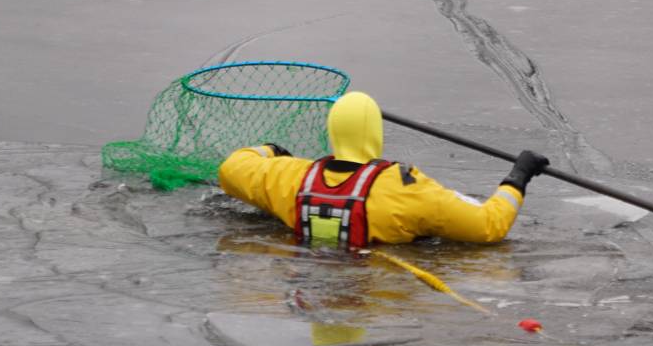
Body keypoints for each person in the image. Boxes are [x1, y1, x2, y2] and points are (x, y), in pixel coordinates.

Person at [217, 91, 549, 248]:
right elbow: (488, 226)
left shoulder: (291, 176)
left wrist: (271, 150)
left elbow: (232, 168)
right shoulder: (407, 189)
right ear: (376, 135)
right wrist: (518, 177)